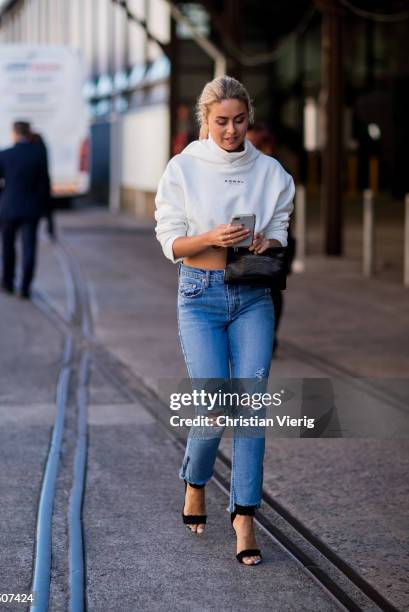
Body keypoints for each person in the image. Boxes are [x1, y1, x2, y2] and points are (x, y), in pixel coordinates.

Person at [155, 76, 294, 566]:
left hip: (253, 296)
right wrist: (212, 236)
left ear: (247, 117)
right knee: (214, 405)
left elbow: (279, 232)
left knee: (252, 409)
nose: (231, 130)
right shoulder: (184, 167)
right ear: (205, 120)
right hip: (199, 295)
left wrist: (264, 242)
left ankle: (244, 515)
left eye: (238, 120)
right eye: (221, 121)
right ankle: (195, 482)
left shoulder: (271, 171)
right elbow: (171, 242)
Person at [246, 123, 296, 355]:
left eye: (254, 145)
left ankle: (270, 338)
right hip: (251, 242)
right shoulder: (248, 168)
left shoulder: (275, 170)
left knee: (272, 290)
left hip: (275, 242)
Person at [0, 121, 50, 299]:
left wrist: (1, 200)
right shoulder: (38, 154)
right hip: (31, 208)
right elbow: (45, 185)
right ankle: (25, 288)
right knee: (29, 248)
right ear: (28, 133)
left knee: (7, 247)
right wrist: (42, 208)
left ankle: (8, 282)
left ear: (14, 134)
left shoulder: (4, 154)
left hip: (8, 207)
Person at [30, 131, 55, 240]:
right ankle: (50, 232)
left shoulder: (37, 152)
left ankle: (47, 231)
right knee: (48, 211)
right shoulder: (42, 150)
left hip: (38, 187)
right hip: (44, 185)